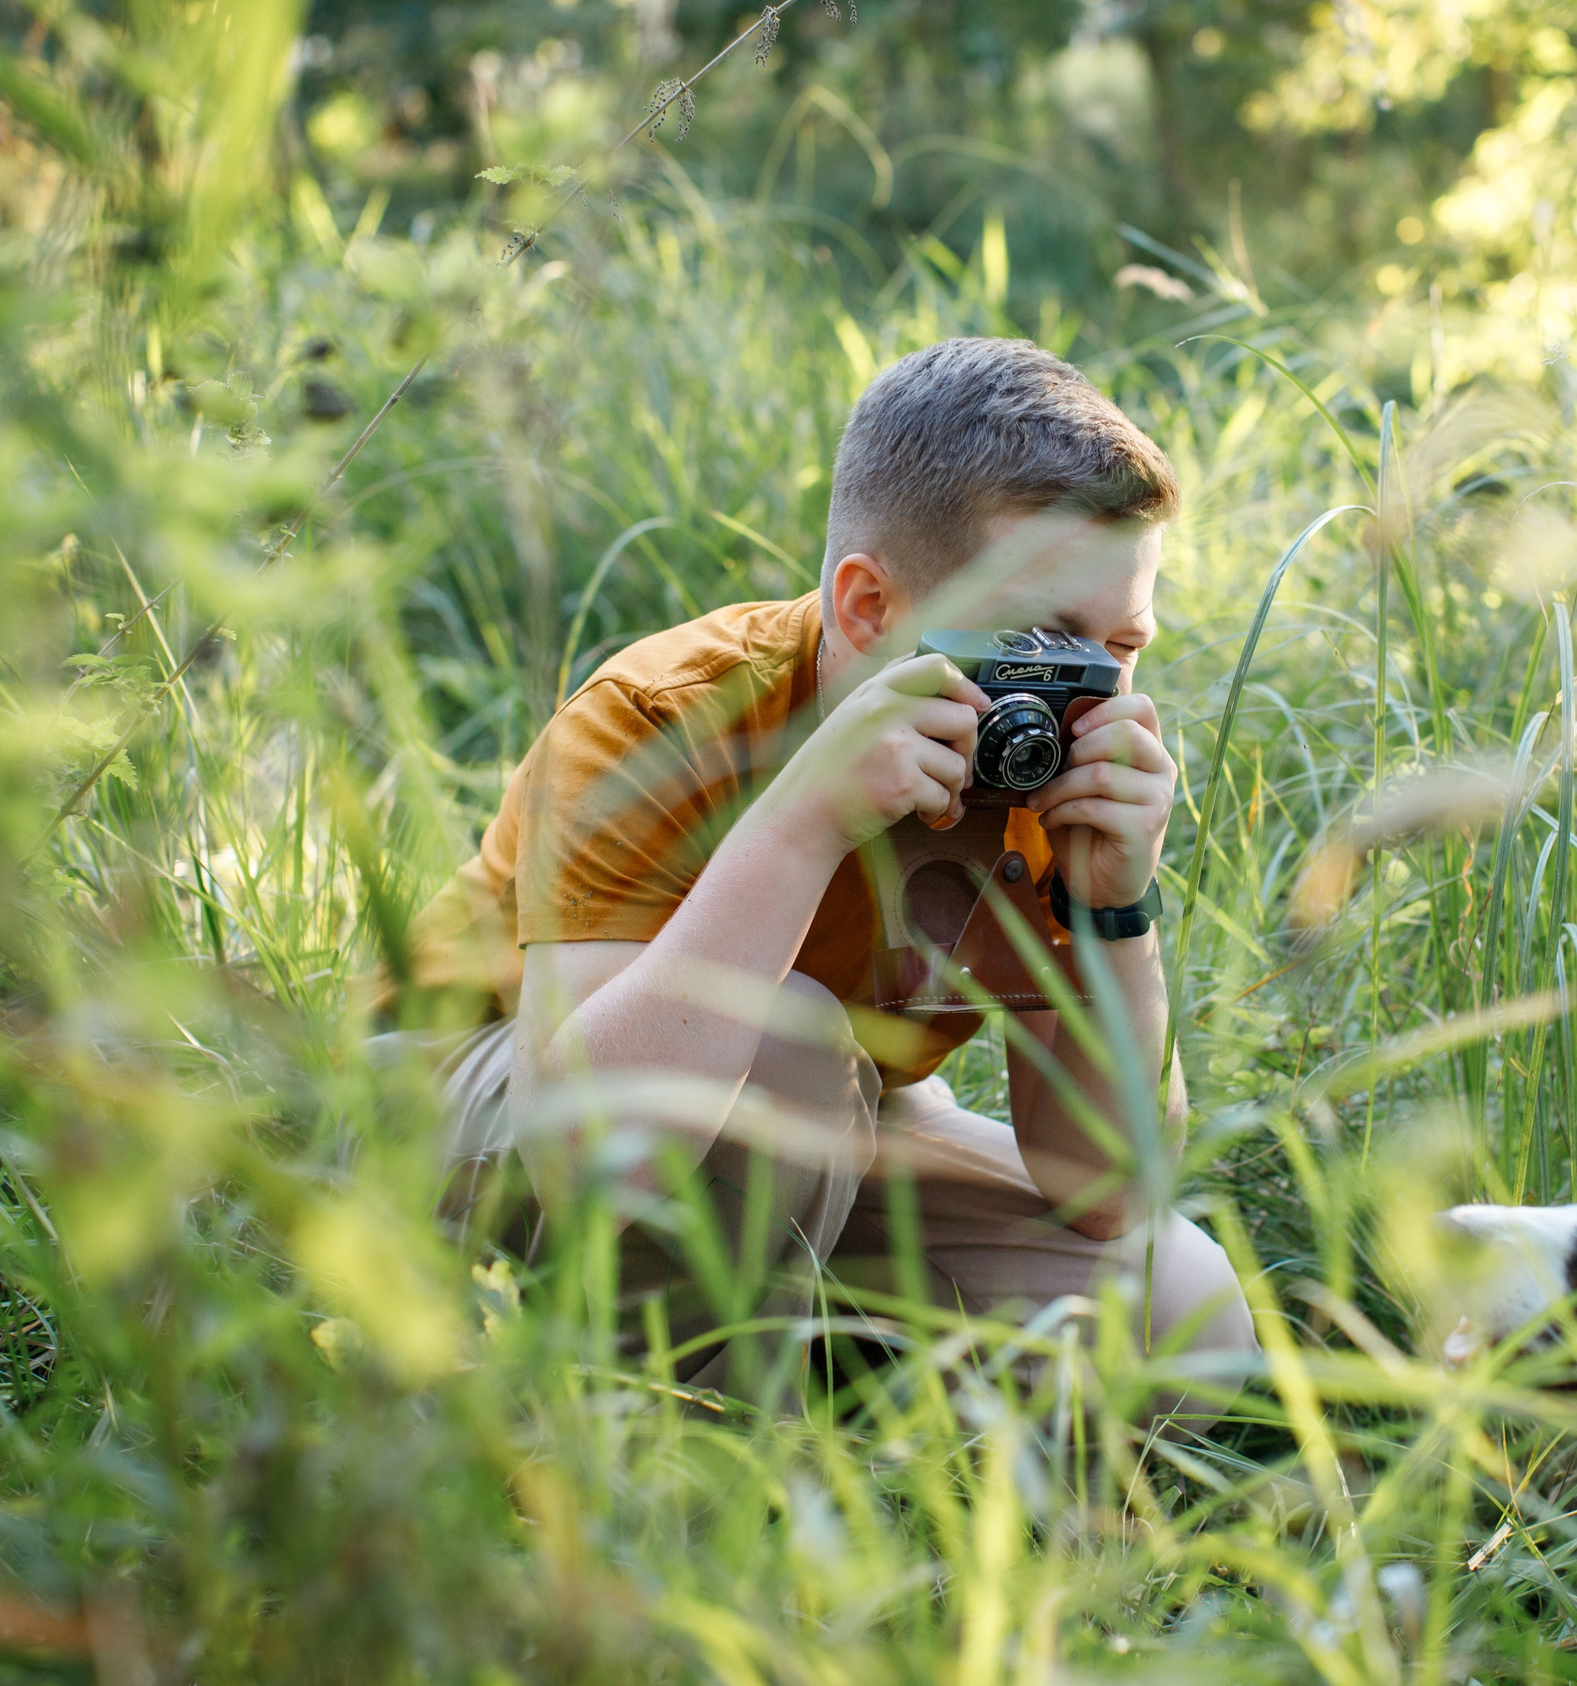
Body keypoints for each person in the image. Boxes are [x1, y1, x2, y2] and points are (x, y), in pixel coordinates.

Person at [400, 337, 1258, 1396]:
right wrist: (804, 819)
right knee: (795, 1049)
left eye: (1120, 644)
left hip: (812, 1121)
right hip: (475, 1098)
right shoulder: (670, 714)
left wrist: (1112, 907)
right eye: (1038, 635)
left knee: (1185, 1317)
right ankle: (657, 1458)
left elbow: (1107, 1192)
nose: (1083, 683)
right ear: (868, 607)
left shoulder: (1048, 750)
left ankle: (817, 1360)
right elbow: (584, 1149)